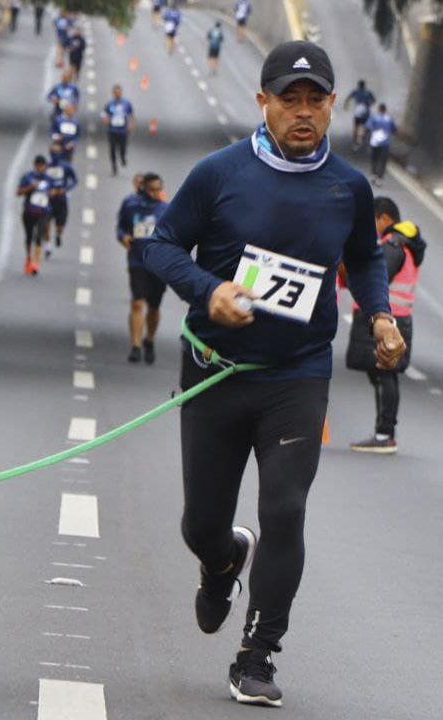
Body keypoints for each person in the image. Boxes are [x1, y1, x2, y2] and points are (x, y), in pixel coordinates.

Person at [140, 40, 405, 707]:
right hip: (216, 370)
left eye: (317, 100)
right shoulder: (219, 174)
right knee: (201, 522)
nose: (304, 112)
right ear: (263, 102)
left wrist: (377, 316)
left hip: (297, 375)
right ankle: (222, 556)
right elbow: (161, 246)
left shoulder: (348, 186)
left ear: (332, 106)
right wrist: (209, 291)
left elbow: (366, 260)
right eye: (290, 99)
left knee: (285, 510)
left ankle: (257, 654)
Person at [345, 196, 426, 454]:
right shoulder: (400, 244)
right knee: (379, 373)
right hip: (390, 318)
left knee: (384, 373)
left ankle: (384, 434)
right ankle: (383, 432)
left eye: (373, 221)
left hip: (389, 320)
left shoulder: (393, 246)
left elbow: (377, 277)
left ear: (385, 219)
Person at [117, 173, 169, 364]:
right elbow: (121, 228)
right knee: (137, 303)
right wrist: (123, 237)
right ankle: (136, 345)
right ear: (143, 189)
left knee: (154, 307)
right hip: (137, 261)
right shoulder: (131, 206)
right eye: (152, 189)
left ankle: (149, 340)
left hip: (158, 264)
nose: (155, 193)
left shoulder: (166, 209)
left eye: (158, 189)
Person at [16, 155, 53, 276]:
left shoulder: (49, 179)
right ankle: (28, 258)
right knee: (29, 236)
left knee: (39, 237)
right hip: (29, 211)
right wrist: (31, 187)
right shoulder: (27, 177)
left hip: (43, 212)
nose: (40, 168)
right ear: (34, 165)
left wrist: (50, 193)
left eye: (42, 166)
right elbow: (19, 192)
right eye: (38, 165)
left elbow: (54, 192)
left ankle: (35, 263)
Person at [45, 139, 79, 256]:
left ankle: (58, 234)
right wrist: (48, 190)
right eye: (53, 150)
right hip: (48, 200)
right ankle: (48, 246)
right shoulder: (46, 167)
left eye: (57, 150)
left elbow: (75, 180)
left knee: (60, 224)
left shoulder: (66, 166)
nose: (55, 152)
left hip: (61, 200)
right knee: (46, 223)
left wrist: (66, 188)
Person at [101, 84, 135, 176]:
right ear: (113, 93)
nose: (117, 94)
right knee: (112, 148)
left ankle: (123, 157)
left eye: (118, 92)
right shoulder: (110, 103)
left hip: (123, 130)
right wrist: (105, 120)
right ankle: (114, 166)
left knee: (122, 147)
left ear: (121, 92)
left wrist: (130, 125)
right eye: (115, 92)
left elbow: (131, 115)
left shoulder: (126, 103)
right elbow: (104, 114)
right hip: (112, 130)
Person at [366, 102, 396, 185]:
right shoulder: (389, 119)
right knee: (382, 160)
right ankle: (379, 178)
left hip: (374, 142)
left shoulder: (374, 117)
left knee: (374, 158)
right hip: (385, 143)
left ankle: (373, 174)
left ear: (379, 109)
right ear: (385, 110)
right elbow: (394, 129)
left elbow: (368, 127)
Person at [342, 79, 375, 151]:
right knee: (365, 127)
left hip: (358, 111)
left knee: (356, 127)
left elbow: (348, 98)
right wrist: (369, 104)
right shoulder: (368, 92)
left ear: (359, 85)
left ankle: (355, 143)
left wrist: (345, 105)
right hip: (366, 112)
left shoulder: (356, 91)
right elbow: (373, 100)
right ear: (364, 85)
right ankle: (363, 141)